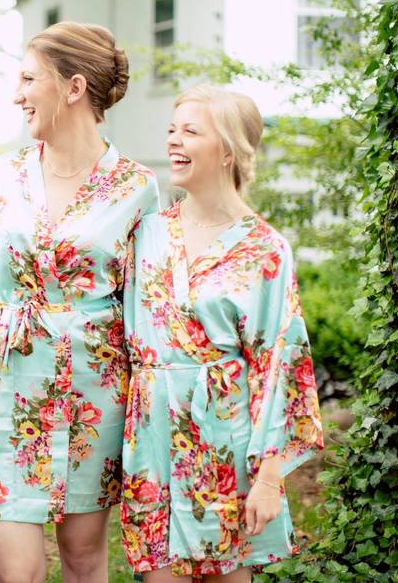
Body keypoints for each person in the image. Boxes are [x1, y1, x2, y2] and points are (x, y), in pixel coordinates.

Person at [0, 21, 160, 583]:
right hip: (4, 384)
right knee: (16, 569)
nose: (17, 93)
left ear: (73, 87)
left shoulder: (137, 187)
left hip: (93, 391)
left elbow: (146, 300)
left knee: (82, 558)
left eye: (28, 79)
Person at [120, 84, 324, 582]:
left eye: (191, 131)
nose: (173, 141)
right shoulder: (146, 233)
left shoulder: (265, 249)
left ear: (228, 150)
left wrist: (270, 477)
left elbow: (280, 364)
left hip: (224, 442)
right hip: (152, 436)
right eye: (172, 129)